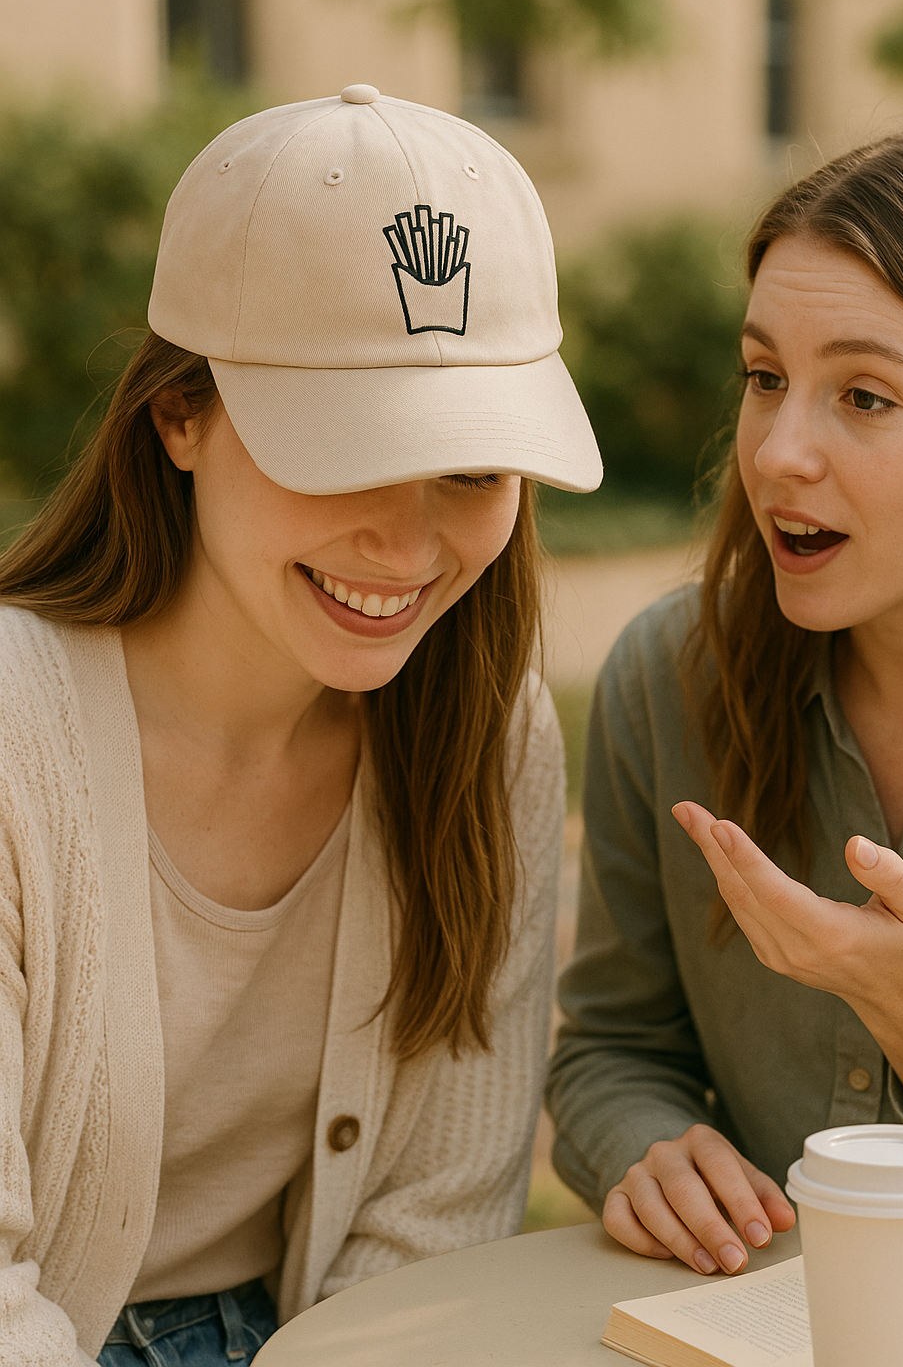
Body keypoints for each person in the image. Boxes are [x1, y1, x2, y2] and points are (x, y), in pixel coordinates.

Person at [0, 85, 601, 1367]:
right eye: (341, 452)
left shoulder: (483, 736)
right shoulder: (12, 741)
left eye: (472, 465)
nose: (410, 541)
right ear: (179, 415)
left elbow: (439, 1217)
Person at [547, 118, 903, 1283]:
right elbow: (612, 1046)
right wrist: (645, 1147)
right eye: (766, 379)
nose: (777, 453)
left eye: (863, 396)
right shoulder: (669, 679)